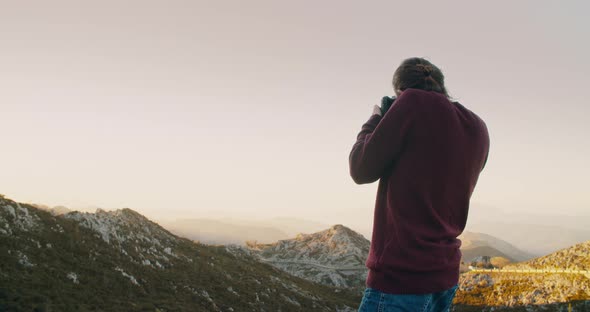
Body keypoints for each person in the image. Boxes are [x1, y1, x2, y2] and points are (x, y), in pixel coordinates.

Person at [349, 57, 490, 312]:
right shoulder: (478, 127)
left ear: (400, 92)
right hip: (445, 277)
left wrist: (375, 119)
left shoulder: (411, 102)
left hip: (401, 279)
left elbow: (360, 169)